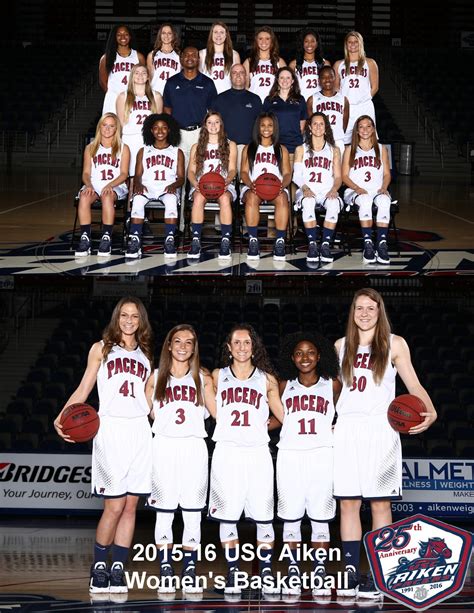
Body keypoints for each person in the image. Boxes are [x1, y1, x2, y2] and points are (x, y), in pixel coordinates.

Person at [334, 288, 437, 599]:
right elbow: (335, 393)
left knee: (380, 504)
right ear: (352, 313)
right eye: (359, 308)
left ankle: (381, 575)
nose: (364, 313)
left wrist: (430, 409)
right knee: (348, 504)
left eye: (371, 308)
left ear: (380, 312)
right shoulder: (340, 346)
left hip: (380, 430)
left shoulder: (395, 343)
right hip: (347, 431)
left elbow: (413, 383)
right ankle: (351, 574)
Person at [53, 296, 154, 595]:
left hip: (139, 430)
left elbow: (148, 402)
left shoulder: (146, 355)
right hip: (109, 429)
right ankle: (99, 567)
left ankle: (118, 568)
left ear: (141, 321)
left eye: (134, 316)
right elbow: (85, 387)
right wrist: (61, 415)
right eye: (124, 315)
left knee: (131, 506)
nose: (129, 320)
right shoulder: (101, 348)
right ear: (116, 318)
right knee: (113, 505)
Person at [209, 323, 285, 595]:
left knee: (264, 517)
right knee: (227, 517)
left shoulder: (266, 379)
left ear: (254, 347)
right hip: (227, 452)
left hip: (257, 453)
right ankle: (233, 574)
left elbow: (284, 415)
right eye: (237, 342)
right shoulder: (217, 376)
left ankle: (265, 573)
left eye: (247, 342)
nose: (242, 347)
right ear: (228, 348)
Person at [145, 325, 216, 595]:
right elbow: (145, 413)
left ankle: (189, 568)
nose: (183, 346)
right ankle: (165, 567)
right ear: (169, 345)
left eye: (189, 342)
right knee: (164, 511)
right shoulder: (154, 378)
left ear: (194, 347)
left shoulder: (203, 378)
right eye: (178, 341)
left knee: (192, 512)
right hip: (163, 447)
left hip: (194, 448)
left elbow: (219, 413)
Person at [274, 332, 340, 597]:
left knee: (320, 516)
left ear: (319, 356)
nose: (305, 357)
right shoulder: (283, 385)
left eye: (310, 352)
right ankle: (292, 568)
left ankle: (320, 569)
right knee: (291, 516)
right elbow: (279, 418)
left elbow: (343, 413)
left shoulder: (333, 385)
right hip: (290, 455)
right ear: (292, 357)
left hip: (323, 455)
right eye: (299, 353)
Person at [163, 47, 218, 216]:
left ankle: (198, 222)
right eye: (186, 54)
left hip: (199, 133)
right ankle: (178, 223)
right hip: (178, 134)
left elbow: (213, 112)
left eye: (194, 55)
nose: (190, 57)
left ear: (198, 59)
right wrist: (170, 135)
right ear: (181, 59)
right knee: (178, 177)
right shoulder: (172, 82)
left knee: (200, 177)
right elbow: (167, 110)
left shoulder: (207, 83)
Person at [126, 113, 184, 259]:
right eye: (156, 128)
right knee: (137, 202)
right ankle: (135, 240)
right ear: (150, 130)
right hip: (147, 187)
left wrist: (174, 184)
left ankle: (169, 240)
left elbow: (182, 177)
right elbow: (137, 174)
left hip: (167, 187)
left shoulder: (177, 152)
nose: (160, 131)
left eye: (164, 128)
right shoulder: (143, 150)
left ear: (170, 130)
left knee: (171, 202)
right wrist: (137, 184)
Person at [74, 113, 130, 258]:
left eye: (111, 126)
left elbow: (124, 174)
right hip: (94, 183)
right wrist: (89, 185)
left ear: (116, 129)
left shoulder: (124, 148)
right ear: (99, 126)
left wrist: (110, 185)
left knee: (106, 196)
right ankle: (85, 238)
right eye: (104, 125)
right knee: (84, 197)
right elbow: (86, 173)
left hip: (116, 185)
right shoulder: (90, 147)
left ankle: (106, 238)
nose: (107, 129)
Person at [240, 112, 291, 261]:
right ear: (258, 128)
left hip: (276, 188)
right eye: (263, 125)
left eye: (270, 125)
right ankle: (253, 241)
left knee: (283, 198)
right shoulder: (249, 148)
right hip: (254, 186)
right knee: (251, 197)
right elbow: (243, 172)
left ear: (275, 128)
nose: (266, 128)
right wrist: (250, 184)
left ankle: (280, 241)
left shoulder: (282, 149)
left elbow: (287, 174)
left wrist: (283, 185)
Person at [293, 112, 343, 264]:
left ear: (326, 128)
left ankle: (326, 245)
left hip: (327, 190)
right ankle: (313, 245)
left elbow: (339, 176)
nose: (318, 127)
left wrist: (335, 189)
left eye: (321, 124)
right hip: (308, 190)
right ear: (309, 127)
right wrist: (305, 188)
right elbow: (296, 175)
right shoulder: (301, 149)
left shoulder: (334, 150)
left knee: (334, 203)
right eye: (315, 124)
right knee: (308, 202)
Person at [187, 111, 238, 260]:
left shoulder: (230, 144)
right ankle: (196, 240)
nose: (213, 125)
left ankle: (225, 240)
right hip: (202, 185)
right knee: (197, 199)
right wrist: (195, 183)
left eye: (216, 122)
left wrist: (227, 180)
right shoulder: (197, 146)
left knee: (224, 200)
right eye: (210, 122)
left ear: (221, 125)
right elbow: (190, 171)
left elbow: (233, 169)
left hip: (222, 184)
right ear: (204, 125)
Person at [342, 115, 391, 265]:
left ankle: (382, 244)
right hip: (354, 191)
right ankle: (368, 244)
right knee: (365, 199)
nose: (365, 129)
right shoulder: (350, 149)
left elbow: (387, 174)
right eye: (361, 127)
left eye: (368, 126)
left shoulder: (381, 148)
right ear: (357, 130)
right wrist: (357, 188)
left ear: (373, 129)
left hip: (376, 189)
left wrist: (384, 187)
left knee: (384, 200)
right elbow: (344, 176)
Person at [213, 64, 262, 173]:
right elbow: (212, 124)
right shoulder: (219, 99)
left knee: (246, 184)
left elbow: (260, 126)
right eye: (235, 73)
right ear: (230, 77)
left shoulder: (255, 99)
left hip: (248, 148)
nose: (238, 75)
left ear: (246, 77)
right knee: (225, 183)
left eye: (241, 73)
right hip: (225, 148)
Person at [116, 65, 163, 176]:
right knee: (129, 174)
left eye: (144, 73)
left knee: (147, 174)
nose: (140, 75)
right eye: (137, 73)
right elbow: (120, 123)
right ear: (132, 76)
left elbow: (158, 122)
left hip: (148, 139)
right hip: (130, 139)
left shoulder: (156, 96)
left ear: (148, 77)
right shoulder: (123, 96)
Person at [333, 31, 378, 144]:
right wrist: (343, 103)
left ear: (361, 44)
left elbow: (375, 87)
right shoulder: (339, 64)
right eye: (350, 42)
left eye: (356, 42)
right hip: (346, 108)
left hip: (364, 106)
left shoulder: (370, 62)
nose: (353, 44)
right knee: (342, 140)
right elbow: (336, 88)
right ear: (346, 44)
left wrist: (363, 99)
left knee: (367, 139)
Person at [262, 67, 307, 162]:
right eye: (282, 77)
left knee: (294, 176)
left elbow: (302, 127)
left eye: (288, 78)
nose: (285, 80)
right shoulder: (269, 100)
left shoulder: (300, 99)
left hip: (295, 148)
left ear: (293, 81)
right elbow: (264, 124)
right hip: (275, 147)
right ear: (277, 80)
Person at [99, 25, 145, 115]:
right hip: (112, 100)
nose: (123, 37)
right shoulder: (106, 58)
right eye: (119, 34)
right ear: (115, 37)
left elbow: (143, 80)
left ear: (130, 36)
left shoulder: (139, 57)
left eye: (126, 34)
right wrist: (114, 94)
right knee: (112, 127)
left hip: (132, 99)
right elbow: (103, 82)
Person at [307, 65, 349, 157]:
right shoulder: (312, 99)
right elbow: (310, 123)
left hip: (337, 140)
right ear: (319, 80)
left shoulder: (343, 99)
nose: (327, 80)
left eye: (330, 76)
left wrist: (336, 133)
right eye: (323, 77)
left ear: (335, 78)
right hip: (319, 140)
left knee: (338, 170)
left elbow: (344, 124)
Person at [243, 26, 286, 103]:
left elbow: (286, 86)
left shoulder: (279, 61)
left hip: (273, 103)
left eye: (267, 39)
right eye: (260, 39)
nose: (264, 42)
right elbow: (245, 87)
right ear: (256, 41)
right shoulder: (248, 62)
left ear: (272, 41)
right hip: (254, 103)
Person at [289, 28, 330, 102]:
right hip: (301, 102)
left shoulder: (325, 64)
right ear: (302, 43)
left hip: (320, 102)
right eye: (306, 41)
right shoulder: (294, 64)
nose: (309, 44)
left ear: (317, 43)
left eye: (312, 41)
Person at [199, 21, 241, 94]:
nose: (218, 35)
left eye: (222, 32)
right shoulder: (202, 54)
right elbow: (198, 79)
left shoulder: (234, 55)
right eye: (215, 32)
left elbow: (238, 79)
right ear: (211, 34)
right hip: (207, 95)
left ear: (226, 35)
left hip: (227, 96)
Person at [147, 23, 181, 96]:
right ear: (160, 35)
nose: (166, 36)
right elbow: (149, 77)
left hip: (173, 93)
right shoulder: (152, 55)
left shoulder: (179, 55)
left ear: (173, 35)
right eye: (163, 33)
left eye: (169, 33)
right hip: (156, 93)